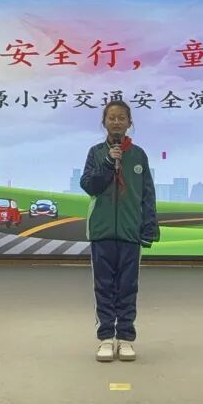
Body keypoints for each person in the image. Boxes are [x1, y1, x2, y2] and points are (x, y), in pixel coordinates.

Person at [80, 100, 159, 363]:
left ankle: (125, 338)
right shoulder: (96, 153)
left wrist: (148, 227)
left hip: (129, 231)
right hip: (102, 230)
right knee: (103, 286)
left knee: (128, 286)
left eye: (121, 118)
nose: (116, 122)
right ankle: (105, 338)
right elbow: (89, 185)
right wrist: (107, 162)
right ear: (104, 122)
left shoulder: (138, 155)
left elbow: (147, 194)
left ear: (129, 123)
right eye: (111, 118)